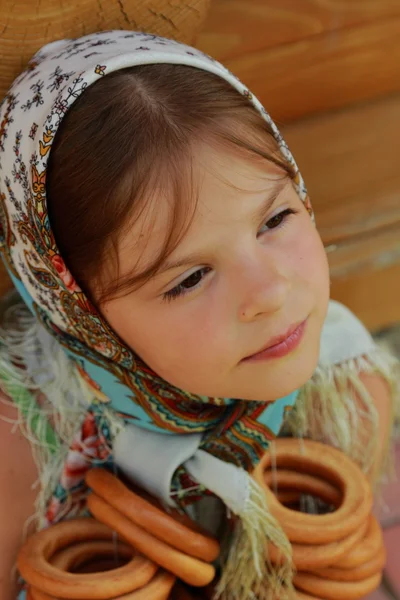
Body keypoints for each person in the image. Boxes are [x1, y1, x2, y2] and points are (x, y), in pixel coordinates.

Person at [0, 31, 398, 600]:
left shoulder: (345, 390)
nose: (268, 291)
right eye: (189, 278)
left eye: (274, 219)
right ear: (83, 318)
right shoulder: (17, 440)